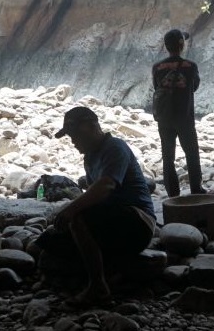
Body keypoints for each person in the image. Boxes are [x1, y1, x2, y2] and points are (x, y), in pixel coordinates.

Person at [34, 106, 157, 307]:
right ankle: (110, 270)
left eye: (75, 134)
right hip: (113, 223)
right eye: (70, 136)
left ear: (92, 126)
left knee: (77, 219)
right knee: (49, 240)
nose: (73, 141)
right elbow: (96, 200)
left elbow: (106, 186)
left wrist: (70, 210)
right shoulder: (90, 157)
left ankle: (98, 287)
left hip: (138, 222)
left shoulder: (115, 148)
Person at [151, 28, 204, 198]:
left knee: (168, 156)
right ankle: (196, 189)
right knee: (192, 153)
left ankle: (173, 193)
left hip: (164, 118)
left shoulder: (157, 67)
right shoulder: (190, 66)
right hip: (185, 116)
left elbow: (156, 87)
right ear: (181, 45)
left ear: (166, 46)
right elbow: (194, 87)